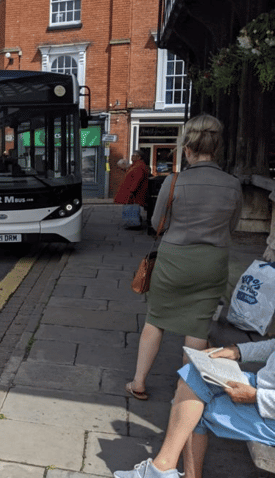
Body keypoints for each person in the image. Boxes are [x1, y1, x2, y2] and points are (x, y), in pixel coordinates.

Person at [125, 114, 243, 401]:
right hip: (212, 262)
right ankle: (186, 391)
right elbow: (233, 226)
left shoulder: (174, 181)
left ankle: (139, 382)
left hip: (174, 260)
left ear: (187, 149)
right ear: (217, 149)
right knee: (197, 325)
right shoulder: (232, 184)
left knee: (156, 319)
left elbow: (156, 224)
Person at [115, 341, 275, 478]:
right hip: (262, 387)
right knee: (192, 375)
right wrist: (238, 350)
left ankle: (161, 470)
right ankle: (162, 468)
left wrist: (256, 396)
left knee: (191, 405)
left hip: (267, 405)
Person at [114, 151, 149, 229]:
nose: (131, 157)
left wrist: (132, 191)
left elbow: (137, 180)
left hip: (134, 193)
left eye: (134, 155)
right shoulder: (136, 165)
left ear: (139, 157)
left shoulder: (139, 166)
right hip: (131, 191)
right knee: (133, 208)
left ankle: (134, 224)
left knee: (132, 207)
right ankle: (133, 223)